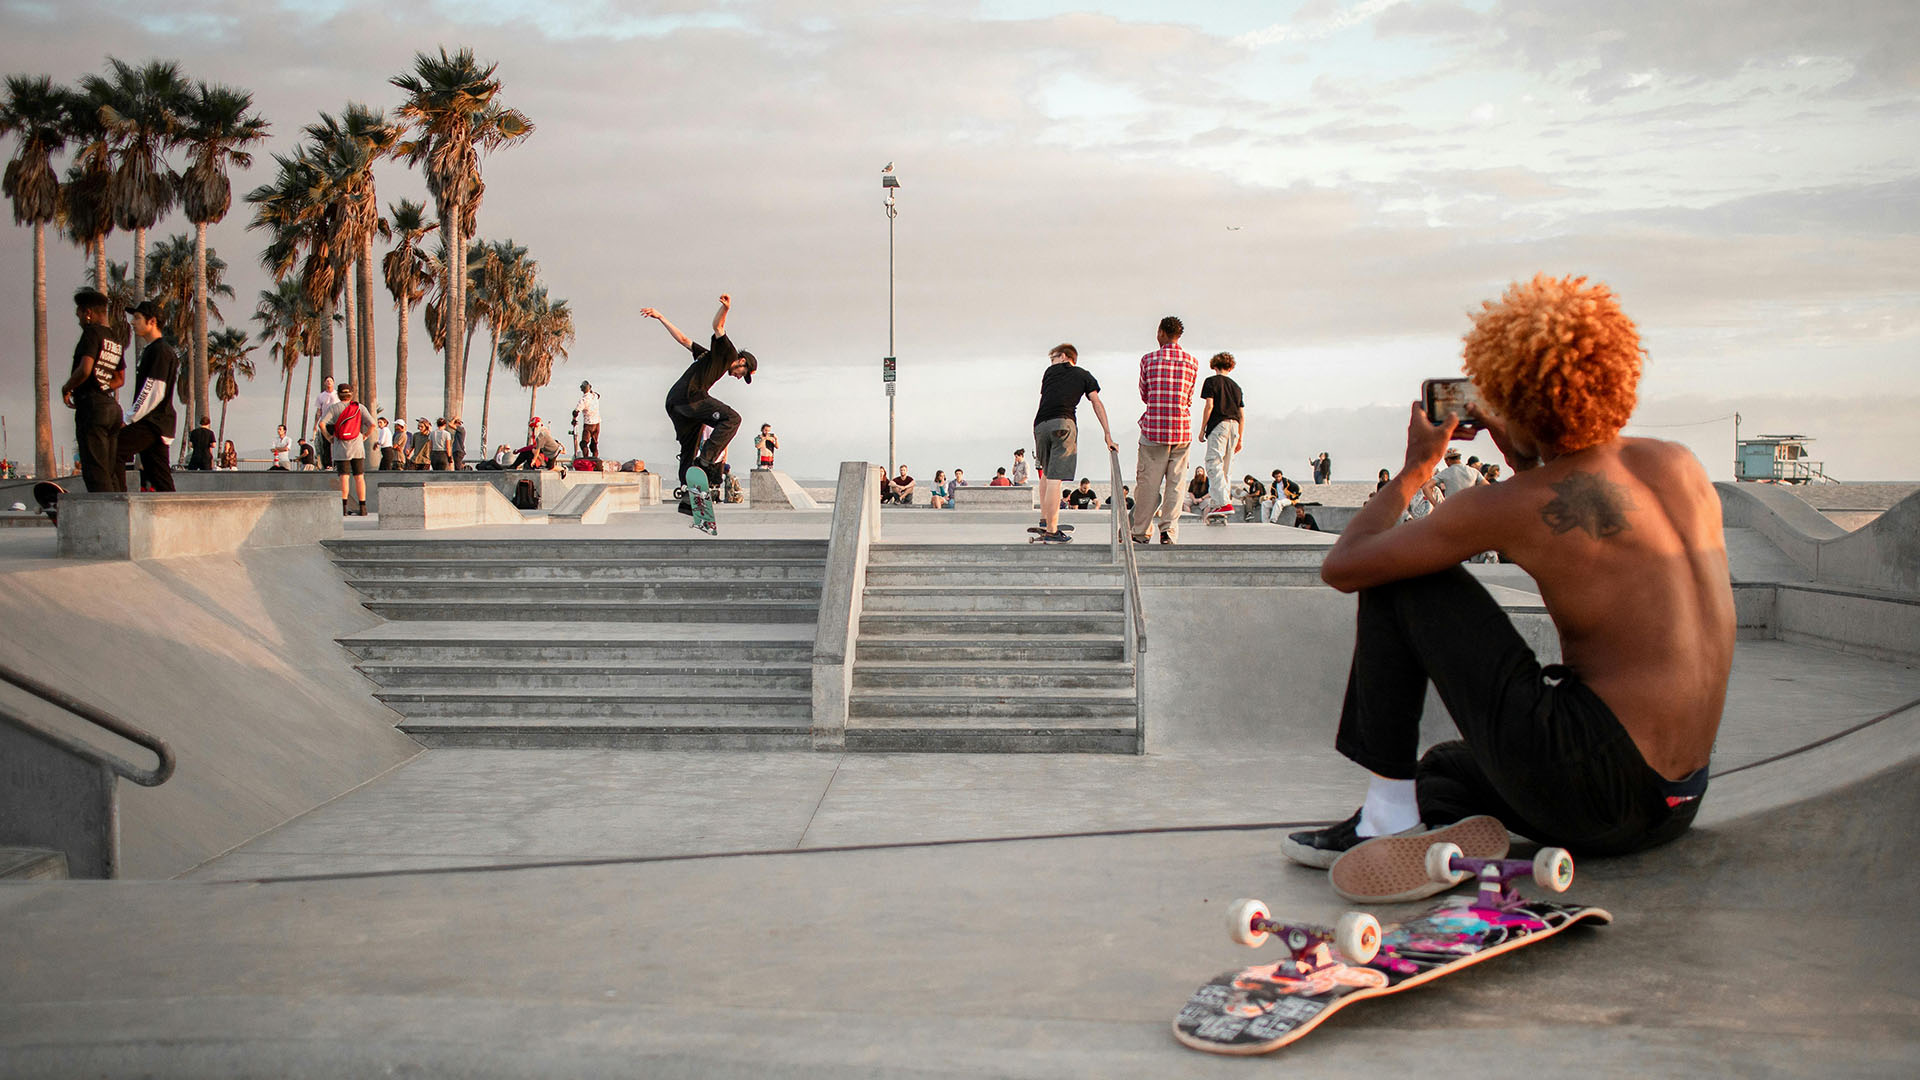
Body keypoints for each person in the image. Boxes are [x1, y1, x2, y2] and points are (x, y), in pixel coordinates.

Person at [1280, 274, 1728, 900]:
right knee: (1444, 770)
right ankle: (1437, 814)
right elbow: (1570, 486)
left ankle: (1385, 819)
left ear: (1515, 394)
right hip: (1676, 803)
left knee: (1402, 577)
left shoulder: (1506, 504)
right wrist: (1520, 438)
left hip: (1590, 788)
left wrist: (1417, 467)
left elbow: (1347, 565)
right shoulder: (1679, 465)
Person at [642, 295, 758, 516]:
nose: (737, 377)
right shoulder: (727, 353)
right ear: (742, 362)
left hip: (674, 404)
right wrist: (725, 308)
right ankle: (704, 463)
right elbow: (718, 326)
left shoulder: (707, 355)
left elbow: (684, 340)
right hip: (691, 398)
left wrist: (661, 317)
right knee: (732, 419)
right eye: (742, 374)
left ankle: (688, 497)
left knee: (688, 448)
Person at [1031, 343, 1118, 540]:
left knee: (1046, 472)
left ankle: (1045, 519)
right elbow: (1096, 402)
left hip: (1040, 425)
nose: (1051, 363)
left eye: (1053, 358)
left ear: (1063, 356)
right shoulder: (1083, 375)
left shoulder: (1049, 374)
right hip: (1063, 423)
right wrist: (1107, 434)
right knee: (1056, 478)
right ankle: (1052, 530)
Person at [1129, 315, 1199, 545]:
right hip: (1181, 430)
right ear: (1179, 336)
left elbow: (1144, 394)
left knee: (1148, 484)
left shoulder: (1148, 360)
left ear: (1161, 332)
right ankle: (1168, 531)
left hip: (1153, 431)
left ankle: (1140, 531)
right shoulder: (1192, 362)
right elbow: (1188, 399)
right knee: (1176, 485)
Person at [61, 288, 126, 492]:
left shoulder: (91, 333)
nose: (79, 320)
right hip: (112, 409)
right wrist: (103, 384)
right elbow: (120, 379)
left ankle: (104, 518)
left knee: (95, 471)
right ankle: (118, 516)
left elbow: (85, 369)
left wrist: (67, 387)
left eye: (79, 314)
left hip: (93, 407)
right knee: (109, 470)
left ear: (87, 312)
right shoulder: (114, 338)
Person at [119, 300, 178, 492]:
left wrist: (128, 419)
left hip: (153, 423)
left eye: (137, 318)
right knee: (159, 477)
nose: (133, 322)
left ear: (152, 321)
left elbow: (154, 391)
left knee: (113, 449)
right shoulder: (152, 350)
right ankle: (174, 515)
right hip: (156, 423)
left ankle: (117, 500)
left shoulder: (160, 351)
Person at [1198, 352, 1245, 515]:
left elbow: (1209, 406)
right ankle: (1221, 502)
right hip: (1235, 426)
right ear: (1230, 367)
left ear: (1214, 365)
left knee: (1213, 462)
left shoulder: (1211, 382)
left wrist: (1202, 428)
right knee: (1227, 466)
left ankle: (1222, 503)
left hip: (1219, 425)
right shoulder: (1236, 387)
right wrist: (1240, 437)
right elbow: (1242, 415)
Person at [320, 382, 371, 515]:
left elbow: (322, 424)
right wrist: (364, 436)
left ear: (338, 394)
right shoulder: (359, 407)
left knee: (344, 477)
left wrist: (329, 437)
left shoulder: (334, 408)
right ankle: (363, 507)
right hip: (357, 447)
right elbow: (372, 424)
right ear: (351, 394)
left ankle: (343, 508)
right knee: (359, 477)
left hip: (341, 447)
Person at [311, 376, 338, 468]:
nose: (329, 382)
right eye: (327, 381)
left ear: (333, 383)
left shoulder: (337, 394)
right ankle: (328, 464)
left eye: (330, 381)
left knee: (337, 443)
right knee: (326, 444)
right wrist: (315, 425)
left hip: (336, 422)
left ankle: (338, 463)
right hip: (325, 423)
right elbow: (319, 411)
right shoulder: (321, 396)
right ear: (324, 383)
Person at [572, 381, 602, 459]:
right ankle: (595, 458)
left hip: (588, 424)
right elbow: (599, 395)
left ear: (582, 389)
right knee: (594, 443)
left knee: (584, 443)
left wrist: (574, 419)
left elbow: (576, 412)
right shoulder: (594, 396)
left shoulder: (583, 400)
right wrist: (591, 391)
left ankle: (586, 459)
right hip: (597, 423)